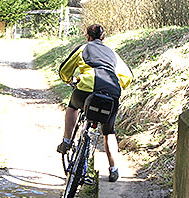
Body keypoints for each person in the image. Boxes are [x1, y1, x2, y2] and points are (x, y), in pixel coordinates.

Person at [56, 24, 133, 183]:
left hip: (87, 89)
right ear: (103, 38)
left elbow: (64, 70)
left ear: (88, 37)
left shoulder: (83, 48)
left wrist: (69, 81)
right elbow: (127, 77)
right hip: (112, 91)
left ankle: (66, 141)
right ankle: (113, 169)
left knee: (72, 107)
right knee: (109, 131)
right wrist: (115, 86)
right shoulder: (112, 53)